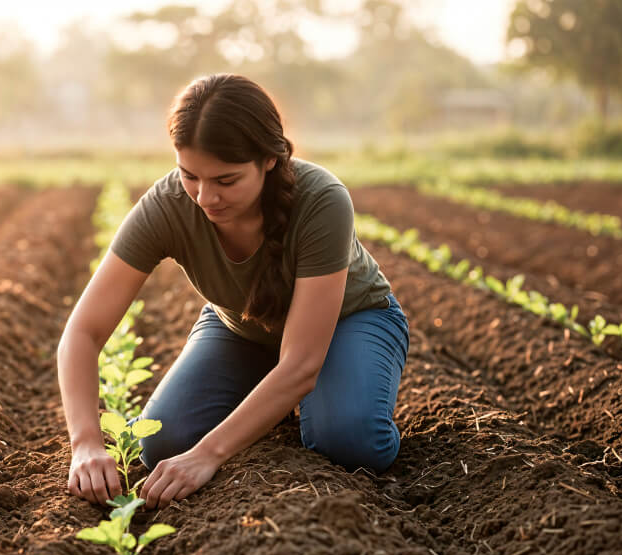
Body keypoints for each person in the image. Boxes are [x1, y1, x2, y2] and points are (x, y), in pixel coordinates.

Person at [57, 73, 409, 510]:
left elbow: (301, 363)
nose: (205, 198)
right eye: (190, 176)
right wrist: (86, 443)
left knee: (348, 441)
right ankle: (269, 405)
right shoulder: (169, 205)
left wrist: (209, 454)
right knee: (163, 444)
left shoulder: (321, 200)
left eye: (226, 181)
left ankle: (334, 392)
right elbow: (84, 331)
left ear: (268, 160)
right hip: (242, 328)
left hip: (349, 322)